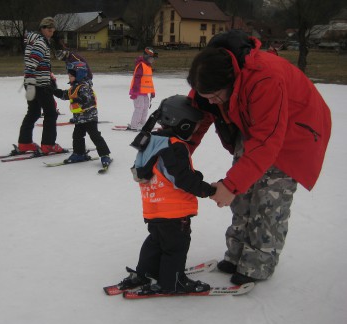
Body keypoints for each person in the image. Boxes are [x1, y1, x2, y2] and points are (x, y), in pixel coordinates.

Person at [186, 30, 331, 285]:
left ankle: (258, 263)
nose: (211, 102)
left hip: (295, 133)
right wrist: (175, 152)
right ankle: (237, 253)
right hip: (255, 124)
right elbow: (197, 117)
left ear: (231, 81)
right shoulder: (209, 76)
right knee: (243, 194)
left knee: (268, 199)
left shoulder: (264, 77)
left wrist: (230, 185)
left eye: (215, 96)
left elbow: (267, 141)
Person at [117, 95, 216, 296]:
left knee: (156, 241)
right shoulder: (175, 146)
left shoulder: (151, 140)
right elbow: (181, 178)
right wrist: (207, 189)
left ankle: (145, 272)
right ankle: (173, 281)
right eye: (195, 125)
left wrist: (193, 175)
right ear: (182, 124)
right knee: (175, 247)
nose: (197, 129)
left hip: (154, 207)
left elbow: (157, 171)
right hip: (174, 211)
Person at [17, 17, 65, 154]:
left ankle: (24, 142)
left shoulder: (34, 40)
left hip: (32, 83)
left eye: (53, 30)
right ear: (42, 28)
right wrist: (32, 83)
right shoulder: (40, 42)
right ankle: (48, 144)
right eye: (48, 29)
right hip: (39, 85)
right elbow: (32, 63)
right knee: (50, 113)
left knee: (33, 112)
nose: (51, 32)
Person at [53, 61, 112, 167]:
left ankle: (105, 155)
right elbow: (65, 95)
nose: (69, 77)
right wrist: (54, 91)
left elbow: (88, 99)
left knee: (95, 136)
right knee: (77, 136)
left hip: (90, 117)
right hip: (79, 119)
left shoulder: (84, 87)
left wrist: (80, 99)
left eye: (71, 75)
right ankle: (79, 153)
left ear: (79, 75)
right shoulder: (74, 87)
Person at [127, 47, 158, 131]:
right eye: (151, 58)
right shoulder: (141, 65)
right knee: (139, 108)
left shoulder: (148, 66)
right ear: (146, 57)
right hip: (138, 91)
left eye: (153, 59)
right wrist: (135, 91)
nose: (152, 60)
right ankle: (134, 125)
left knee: (145, 108)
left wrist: (152, 92)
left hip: (145, 92)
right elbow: (136, 78)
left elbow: (149, 81)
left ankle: (142, 124)